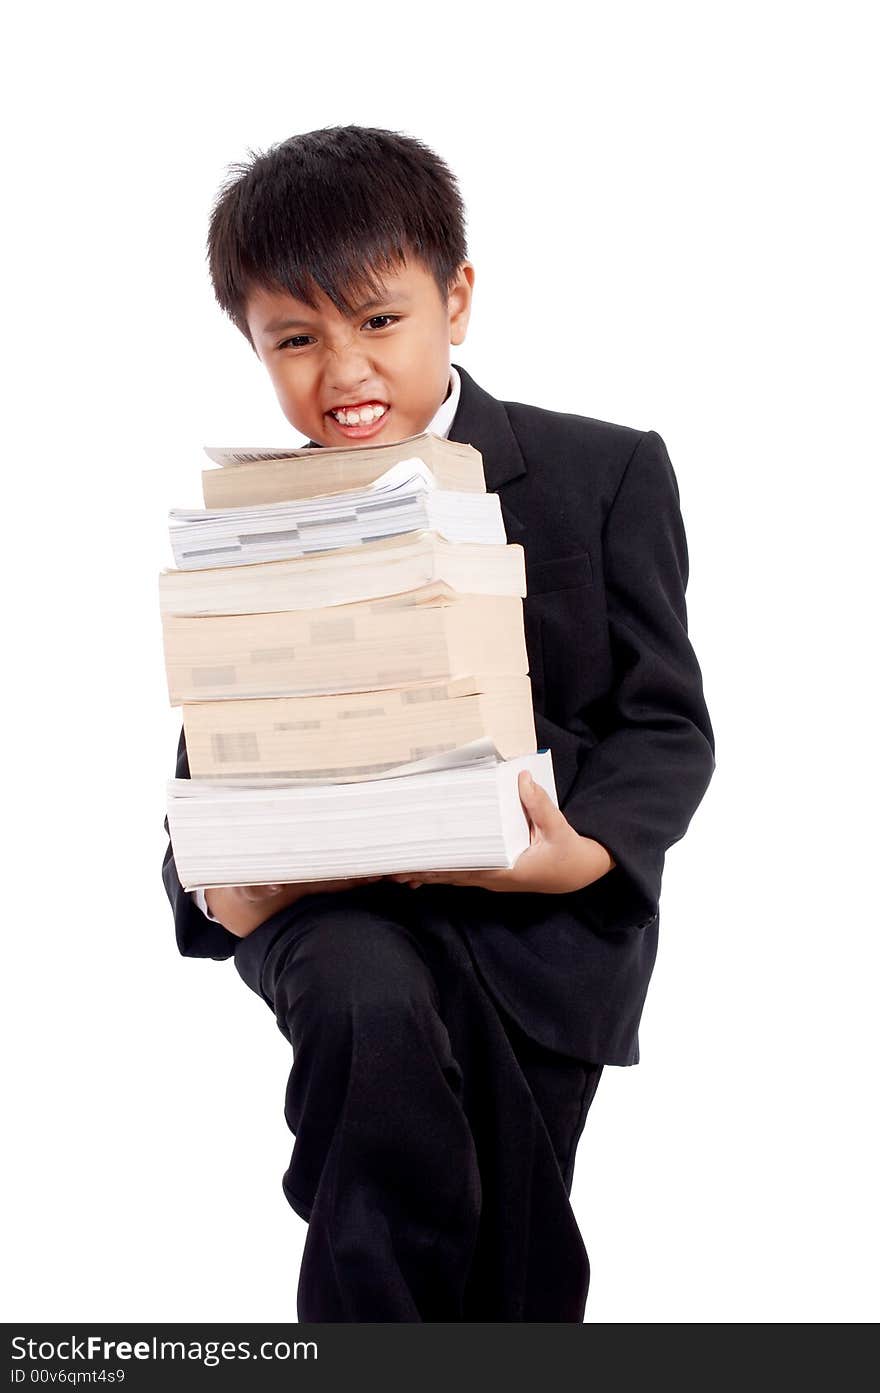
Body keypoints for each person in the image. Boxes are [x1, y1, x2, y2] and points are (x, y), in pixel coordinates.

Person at [161, 125, 716, 1322]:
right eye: (294, 340)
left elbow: (663, 722)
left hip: (537, 931)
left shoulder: (601, 472)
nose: (343, 371)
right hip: (332, 912)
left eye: (377, 321)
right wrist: (215, 886)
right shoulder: (253, 509)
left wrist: (585, 852)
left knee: (509, 1266)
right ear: (252, 341)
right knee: (369, 1029)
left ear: (455, 301)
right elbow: (218, 728)